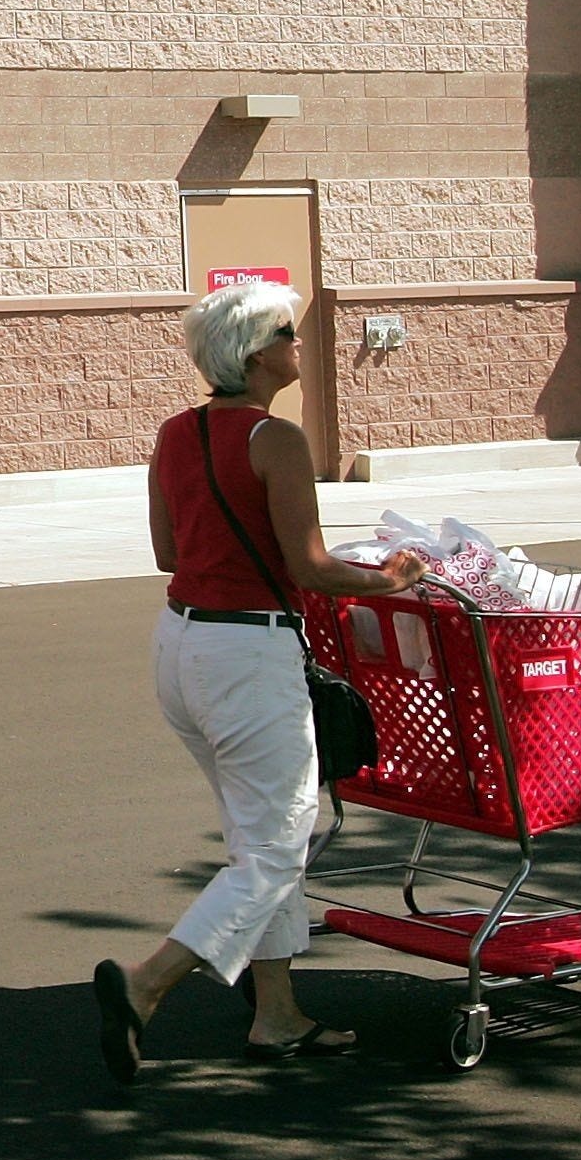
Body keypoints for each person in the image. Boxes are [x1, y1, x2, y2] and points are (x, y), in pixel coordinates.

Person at [92, 280, 428, 1081]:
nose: (298, 343)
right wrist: (392, 579)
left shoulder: (175, 434)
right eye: (287, 332)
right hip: (247, 656)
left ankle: (276, 1017)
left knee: (257, 838)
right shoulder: (275, 440)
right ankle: (145, 986)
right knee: (276, 851)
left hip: (180, 647)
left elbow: (170, 553)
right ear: (253, 353)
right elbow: (311, 564)